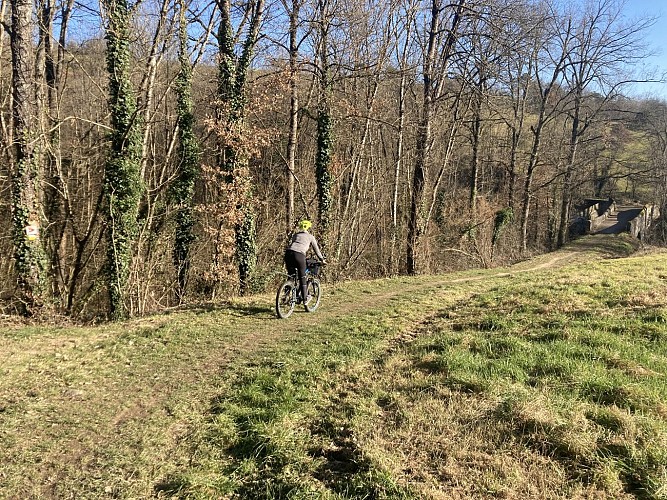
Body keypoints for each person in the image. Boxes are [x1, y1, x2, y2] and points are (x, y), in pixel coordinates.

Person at [284, 219, 326, 304]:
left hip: (288, 254)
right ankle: (305, 298)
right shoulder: (311, 237)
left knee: (291, 276)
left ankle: (286, 296)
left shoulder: (296, 235)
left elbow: (295, 245)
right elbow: (316, 250)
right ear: (308, 228)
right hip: (299, 255)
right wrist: (322, 259)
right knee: (302, 277)